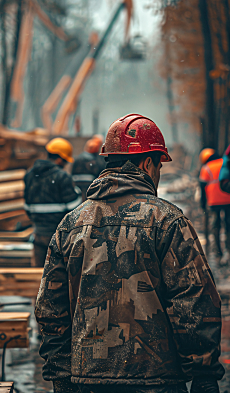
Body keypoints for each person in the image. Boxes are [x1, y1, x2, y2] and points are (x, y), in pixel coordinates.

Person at [35, 114, 224, 393]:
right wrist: (203, 372)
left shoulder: (71, 224)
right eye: (159, 165)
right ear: (148, 164)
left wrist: (61, 374)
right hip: (158, 380)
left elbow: (50, 308)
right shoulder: (167, 220)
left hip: (86, 380)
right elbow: (194, 301)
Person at [24, 137, 82, 267]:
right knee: (58, 279)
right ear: (60, 159)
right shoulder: (62, 177)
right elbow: (75, 209)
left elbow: (27, 207)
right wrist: (77, 192)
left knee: (38, 277)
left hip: (38, 235)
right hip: (59, 238)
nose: (65, 164)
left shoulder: (30, 175)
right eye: (65, 161)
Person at [199, 147, 230, 264]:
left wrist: (203, 204)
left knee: (216, 226)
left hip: (214, 202)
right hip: (228, 199)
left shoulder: (206, 168)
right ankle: (228, 250)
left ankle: (218, 253)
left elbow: (202, 188)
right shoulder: (224, 162)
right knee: (228, 225)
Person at [72, 135, 105, 201]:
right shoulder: (97, 161)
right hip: (92, 189)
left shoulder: (77, 159)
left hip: (78, 188)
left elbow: (72, 173)